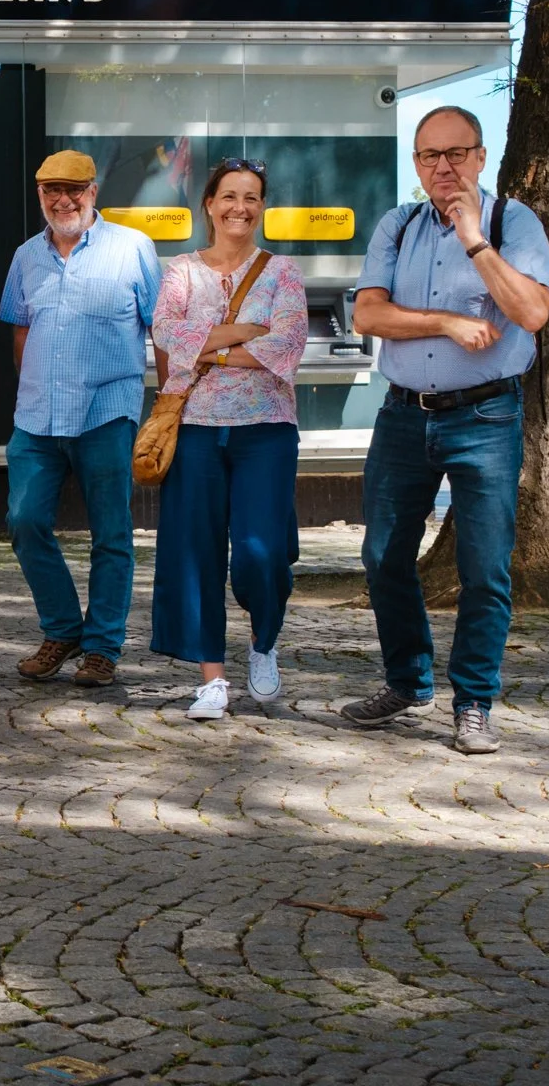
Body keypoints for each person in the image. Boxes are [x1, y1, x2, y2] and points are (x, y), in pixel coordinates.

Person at [341, 106, 549, 755]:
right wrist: (445, 322)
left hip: (487, 416)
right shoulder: (398, 224)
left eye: (456, 154)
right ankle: (408, 680)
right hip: (404, 414)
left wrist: (474, 242)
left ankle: (474, 703)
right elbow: (368, 315)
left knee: (484, 567)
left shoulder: (511, 222)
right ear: (416, 164)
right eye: (430, 156)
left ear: (480, 158)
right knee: (381, 556)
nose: (443, 167)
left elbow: (532, 310)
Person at [147, 160, 308, 720]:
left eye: (252, 197)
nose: (241, 207)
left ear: (261, 206)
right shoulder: (181, 270)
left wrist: (204, 346)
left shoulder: (283, 271)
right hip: (192, 426)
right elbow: (165, 333)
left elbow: (286, 345)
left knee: (262, 553)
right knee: (195, 552)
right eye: (230, 196)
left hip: (266, 428)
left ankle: (264, 641)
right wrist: (244, 335)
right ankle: (211, 677)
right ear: (209, 204)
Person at [0, 150, 162, 689]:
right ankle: (64, 628)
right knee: (23, 521)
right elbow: (20, 332)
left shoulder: (132, 248)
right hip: (37, 418)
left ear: (94, 191)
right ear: (39, 195)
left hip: (106, 413)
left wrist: (166, 405)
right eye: (51, 191)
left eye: (75, 189)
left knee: (111, 534)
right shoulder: (26, 256)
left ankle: (102, 648)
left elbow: (160, 330)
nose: (63, 200)